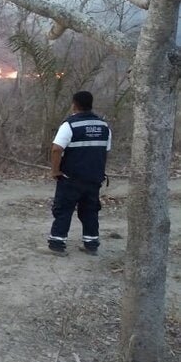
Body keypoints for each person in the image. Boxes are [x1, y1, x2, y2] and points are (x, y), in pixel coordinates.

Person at [48, 91, 111, 257]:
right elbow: (105, 150)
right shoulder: (104, 126)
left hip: (71, 178)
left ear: (74, 105)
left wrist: (55, 170)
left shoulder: (70, 125)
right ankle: (91, 245)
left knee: (64, 209)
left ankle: (57, 243)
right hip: (94, 178)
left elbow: (56, 149)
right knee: (90, 210)